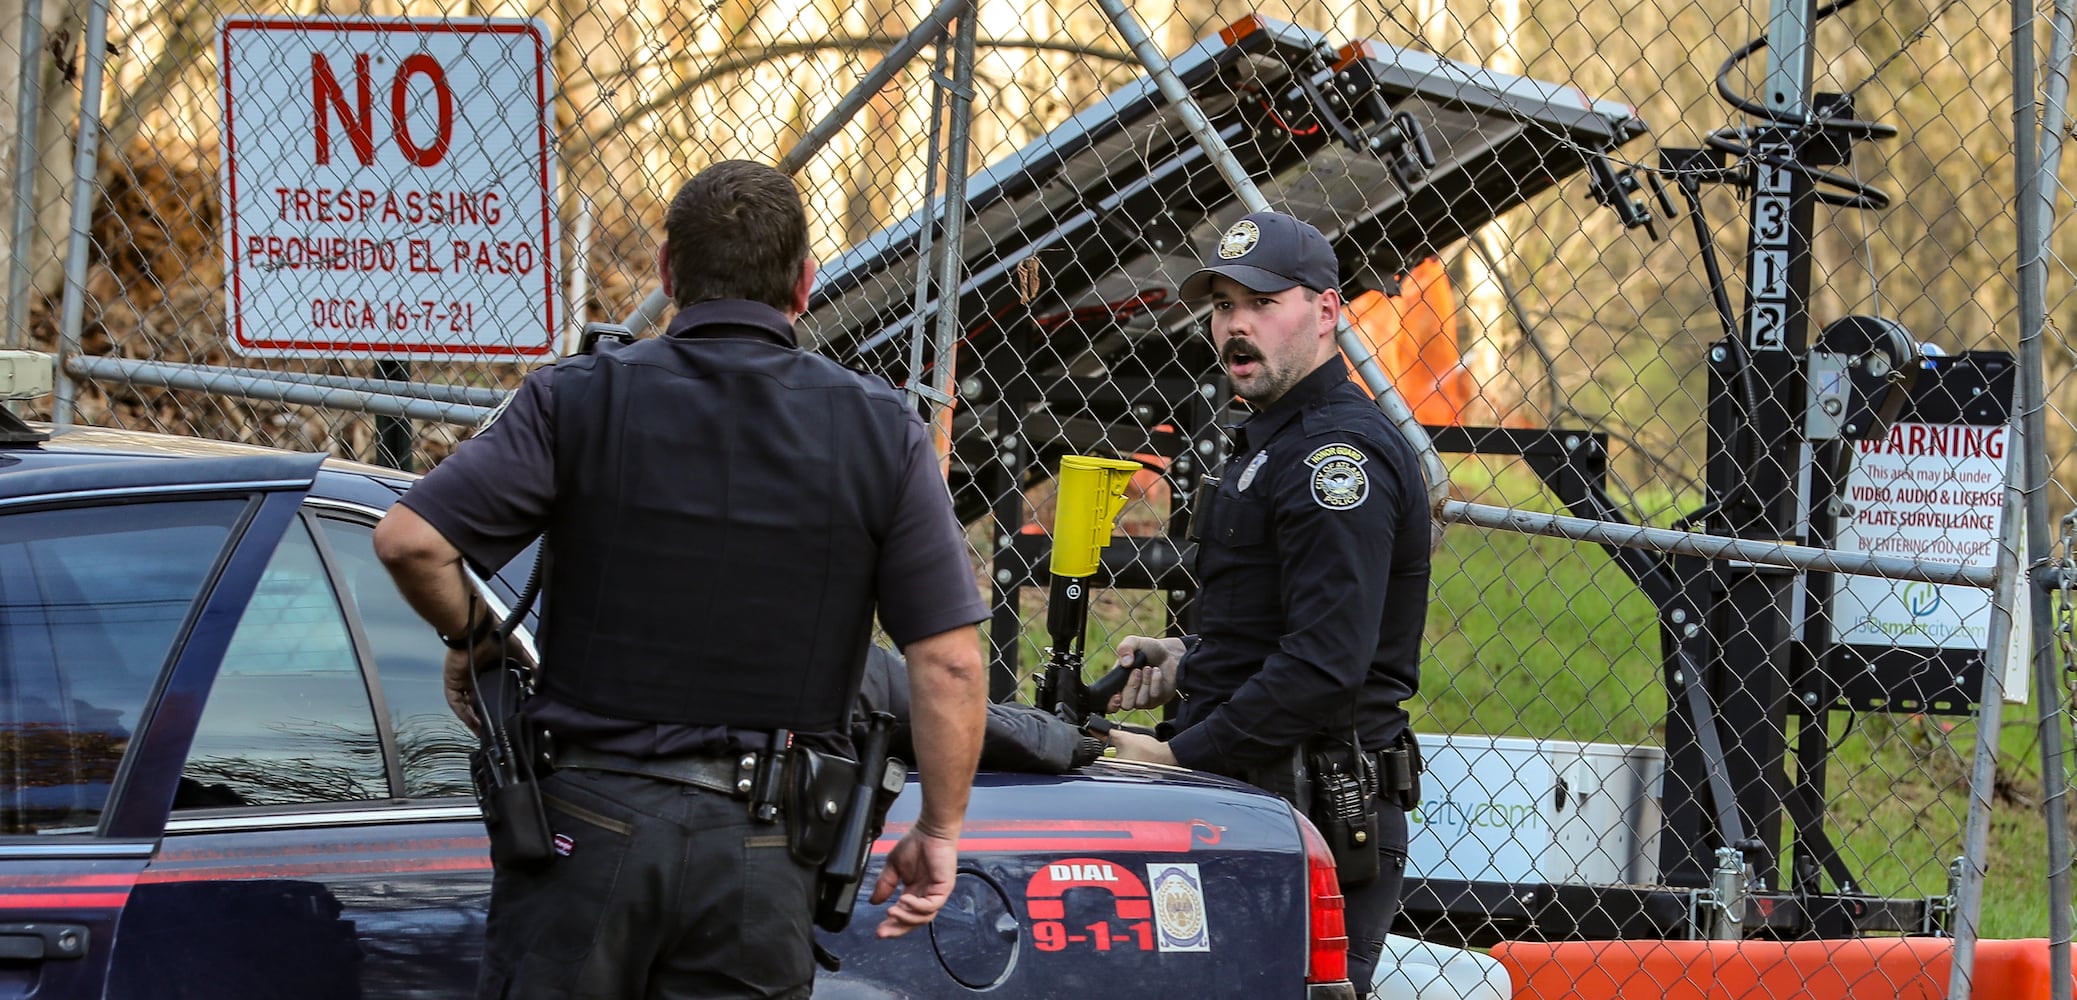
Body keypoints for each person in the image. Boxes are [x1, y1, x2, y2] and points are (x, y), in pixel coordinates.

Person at [373, 159, 989, 1000]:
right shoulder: (882, 431)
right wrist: (940, 829)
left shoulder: (576, 399)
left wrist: (473, 639)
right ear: (805, 283)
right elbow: (950, 663)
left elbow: (409, 542)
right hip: (763, 850)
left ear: (667, 273)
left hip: (582, 833)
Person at [1104, 210, 1431, 991]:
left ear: (1324, 312)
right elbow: (1289, 625)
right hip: (1255, 800)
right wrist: (1190, 661)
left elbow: (1325, 666)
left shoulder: (1334, 458)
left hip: (1309, 813)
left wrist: (1174, 756)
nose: (1235, 326)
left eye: (1261, 303)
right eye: (1222, 306)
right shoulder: (1276, 440)